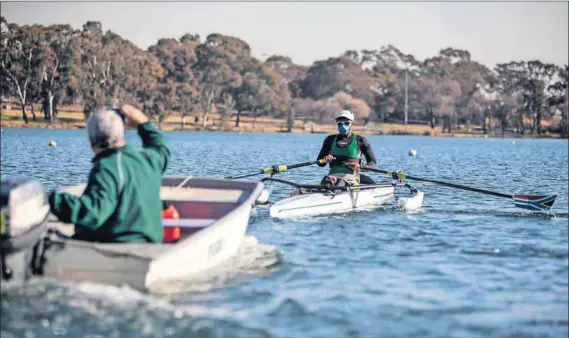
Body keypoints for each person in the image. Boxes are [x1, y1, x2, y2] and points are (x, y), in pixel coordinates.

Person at [48, 104, 171, 243]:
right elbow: (161, 148)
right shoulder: (149, 159)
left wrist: (53, 200)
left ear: (91, 140)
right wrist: (142, 122)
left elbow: (94, 212)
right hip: (150, 246)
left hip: (117, 251)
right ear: (121, 134)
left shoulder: (107, 167)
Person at [317, 110, 377, 186]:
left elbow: (372, 163)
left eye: (346, 123)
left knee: (340, 183)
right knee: (327, 181)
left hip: (351, 178)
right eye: (340, 124)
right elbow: (319, 163)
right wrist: (325, 159)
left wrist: (360, 167)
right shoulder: (330, 139)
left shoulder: (360, 140)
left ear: (352, 124)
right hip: (332, 177)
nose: (343, 126)